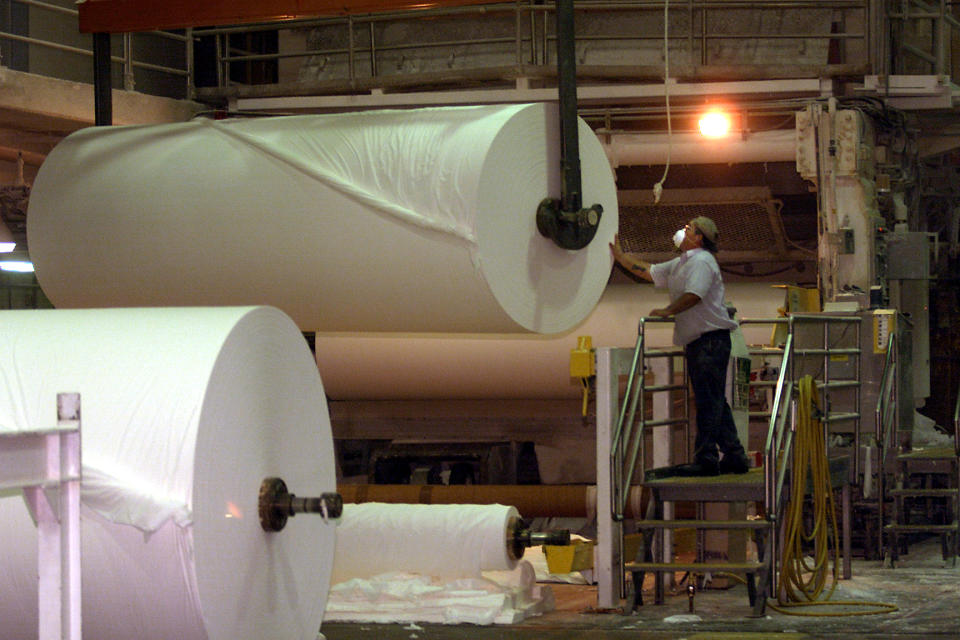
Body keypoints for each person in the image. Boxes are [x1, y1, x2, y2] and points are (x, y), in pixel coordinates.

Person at [610, 216, 750, 477]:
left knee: (709, 402)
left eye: (689, 228)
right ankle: (734, 455)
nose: (683, 230)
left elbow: (694, 295)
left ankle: (707, 458)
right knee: (714, 400)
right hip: (702, 341)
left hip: (710, 341)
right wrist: (620, 257)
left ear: (699, 238)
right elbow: (649, 271)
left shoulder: (702, 262)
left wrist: (668, 311)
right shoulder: (682, 263)